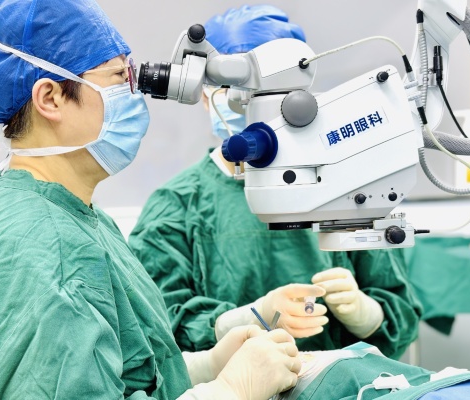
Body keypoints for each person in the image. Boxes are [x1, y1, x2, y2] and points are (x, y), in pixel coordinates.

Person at [0, 1, 303, 399]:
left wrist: (208, 366)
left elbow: (116, 369)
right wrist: (231, 390)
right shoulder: (40, 246)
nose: (136, 93)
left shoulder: (76, 217)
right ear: (50, 98)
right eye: (119, 78)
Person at [128, 5, 422, 359]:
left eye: (271, 94)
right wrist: (245, 320)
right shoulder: (176, 205)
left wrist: (366, 313)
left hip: (337, 382)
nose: (252, 104)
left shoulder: (349, 184)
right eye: (237, 90)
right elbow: (158, 329)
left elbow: (400, 313)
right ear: (205, 94)